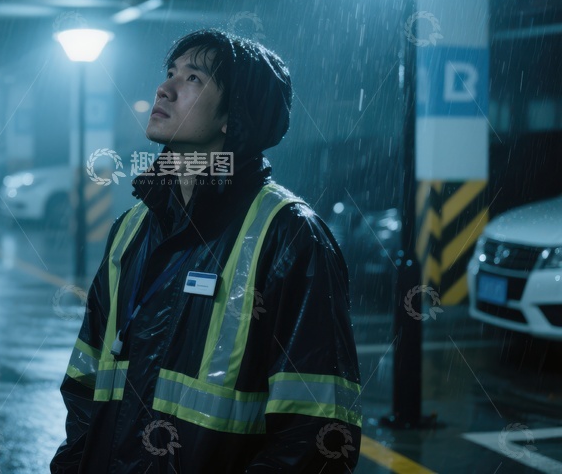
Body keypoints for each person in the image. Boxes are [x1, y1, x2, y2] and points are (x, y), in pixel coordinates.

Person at [50, 29, 361, 473]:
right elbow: (84, 383)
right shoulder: (132, 228)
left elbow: (317, 428)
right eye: (170, 73)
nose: (166, 88)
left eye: (193, 78)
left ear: (233, 117)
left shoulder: (289, 235)